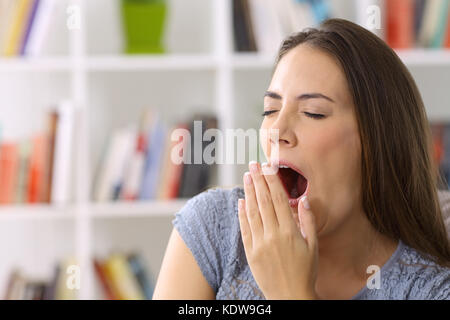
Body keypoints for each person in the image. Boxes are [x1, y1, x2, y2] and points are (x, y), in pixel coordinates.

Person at [152, 19, 450, 300]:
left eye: (313, 113)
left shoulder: (429, 288)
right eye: (270, 111)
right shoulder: (214, 229)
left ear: (377, 142)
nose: (277, 131)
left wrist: (291, 292)